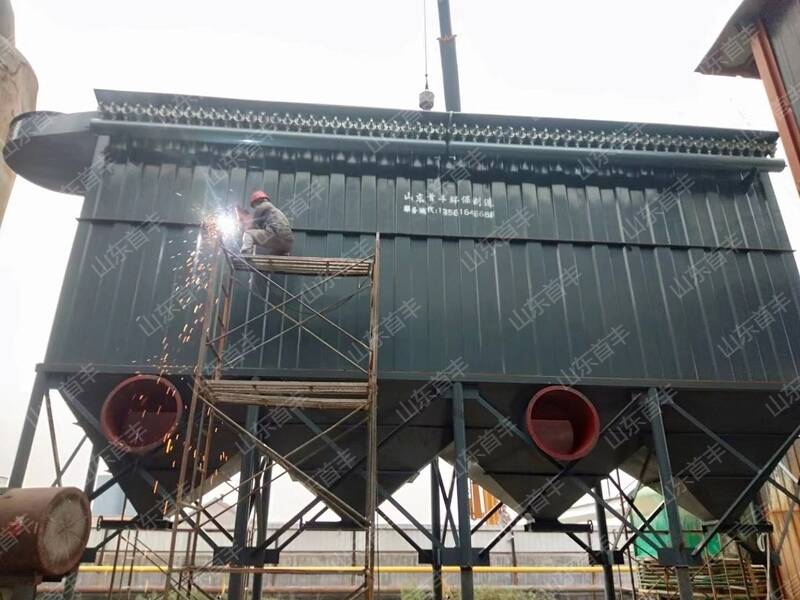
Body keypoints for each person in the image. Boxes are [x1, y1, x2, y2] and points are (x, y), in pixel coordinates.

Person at [238, 190, 294, 255]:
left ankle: (245, 252)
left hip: (276, 236)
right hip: (288, 243)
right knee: (272, 256)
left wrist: (241, 225)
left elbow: (252, 226)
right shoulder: (274, 210)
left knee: (248, 234)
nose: (254, 208)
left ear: (256, 201)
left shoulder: (261, 207)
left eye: (254, 206)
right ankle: (284, 254)